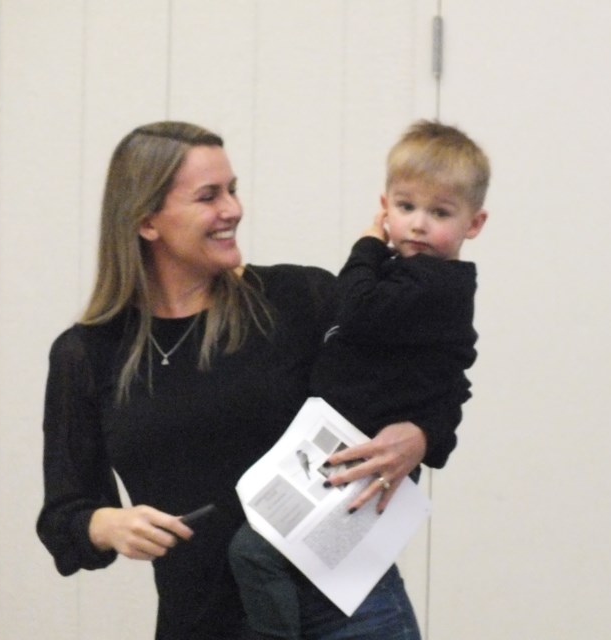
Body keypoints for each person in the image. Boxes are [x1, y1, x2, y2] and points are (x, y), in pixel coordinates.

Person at [36, 121, 459, 639]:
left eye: (232, 190)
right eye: (208, 196)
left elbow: (425, 370)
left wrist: (418, 436)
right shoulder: (88, 353)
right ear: (147, 222)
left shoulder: (299, 298)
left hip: (347, 615)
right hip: (201, 622)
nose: (232, 209)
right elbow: (63, 517)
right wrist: (106, 525)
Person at [228, 120, 490, 640]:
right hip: (343, 451)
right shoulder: (412, 278)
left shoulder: (435, 284)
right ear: (386, 203)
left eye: (440, 213)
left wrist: (367, 244)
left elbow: (356, 308)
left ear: (473, 223)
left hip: (361, 458)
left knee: (252, 553)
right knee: (269, 555)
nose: (418, 224)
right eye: (407, 206)